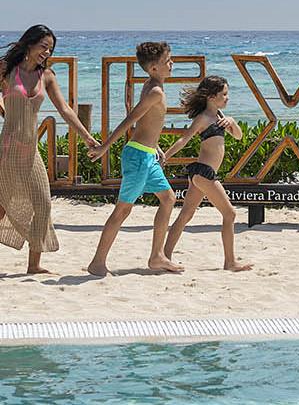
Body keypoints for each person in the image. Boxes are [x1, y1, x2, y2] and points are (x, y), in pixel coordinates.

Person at [0, 24, 99, 274]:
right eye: (43, 46)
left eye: (50, 49)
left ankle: (34, 265)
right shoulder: (6, 70)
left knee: (43, 203)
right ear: (29, 43)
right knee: (1, 207)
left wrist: (87, 137)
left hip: (31, 151)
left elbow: (65, 110)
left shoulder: (48, 76)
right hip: (7, 150)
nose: (46, 52)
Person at [87, 41, 182, 277]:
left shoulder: (153, 85)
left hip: (147, 154)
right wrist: (105, 147)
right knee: (123, 210)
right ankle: (97, 262)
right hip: (138, 157)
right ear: (153, 68)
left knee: (168, 198)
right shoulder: (155, 91)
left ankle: (157, 256)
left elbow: (147, 123)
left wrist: (156, 146)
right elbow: (131, 120)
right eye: (167, 61)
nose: (172, 63)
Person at [163, 75, 252, 272]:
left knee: (186, 214)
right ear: (211, 96)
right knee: (230, 213)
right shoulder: (203, 118)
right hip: (204, 173)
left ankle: (164, 256)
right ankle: (230, 262)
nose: (227, 98)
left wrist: (232, 122)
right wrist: (165, 157)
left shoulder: (220, 117)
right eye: (224, 94)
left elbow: (238, 136)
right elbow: (184, 140)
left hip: (201, 174)